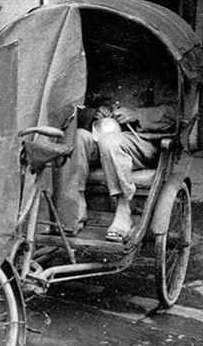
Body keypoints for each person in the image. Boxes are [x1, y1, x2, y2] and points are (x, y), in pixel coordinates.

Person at [53, 74, 177, 242]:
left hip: (141, 141)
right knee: (78, 137)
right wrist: (94, 113)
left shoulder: (154, 73)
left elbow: (172, 112)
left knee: (110, 142)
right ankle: (77, 204)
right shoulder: (104, 71)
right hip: (102, 137)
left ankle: (124, 210)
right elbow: (79, 106)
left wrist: (137, 115)